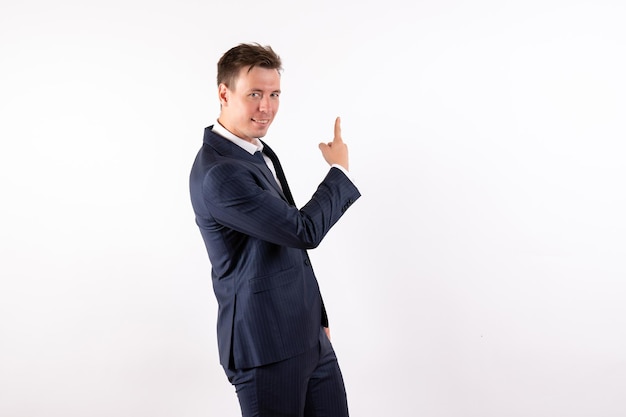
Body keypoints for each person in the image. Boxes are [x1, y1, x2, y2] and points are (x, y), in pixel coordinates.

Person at [189, 43, 361, 417]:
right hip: (265, 347)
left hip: (307, 336)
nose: (265, 107)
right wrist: (339, 172)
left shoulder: (255, 151)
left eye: (273, 94)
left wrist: (318, 320)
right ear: (224, 93)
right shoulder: (221, 173)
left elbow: (285, 244)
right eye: (254, 94)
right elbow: (303, 231)